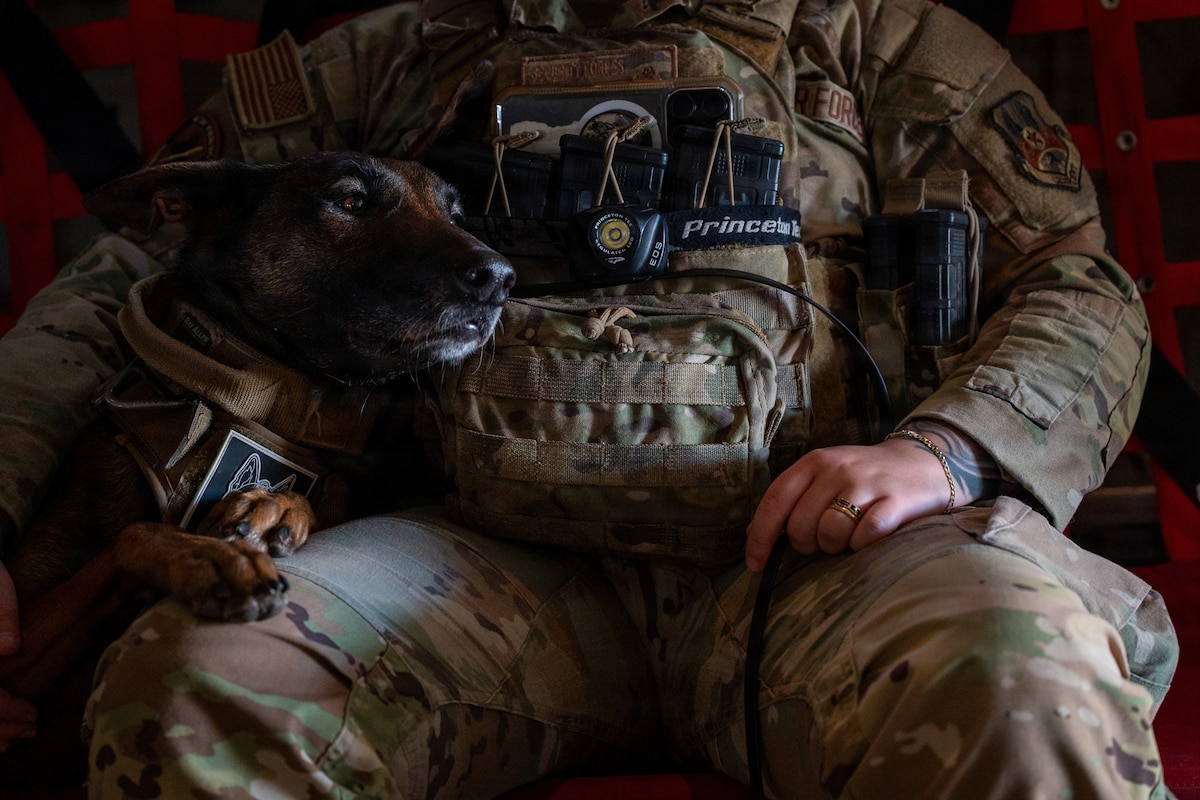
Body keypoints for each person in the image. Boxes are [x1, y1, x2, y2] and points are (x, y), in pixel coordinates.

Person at [0, 0, 1179, 797]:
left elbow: (1078, 287)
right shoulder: (394, 57)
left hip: (821, 558)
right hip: (470, 566)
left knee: (1026, 671)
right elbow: (124, 276)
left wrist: (948, 452)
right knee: (197, 679)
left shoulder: (886, 42)